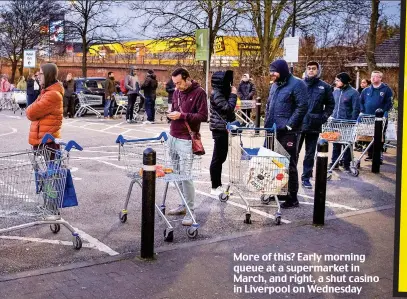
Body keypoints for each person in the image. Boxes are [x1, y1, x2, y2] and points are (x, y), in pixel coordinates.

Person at [166, 67, 208, 226]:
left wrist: (182, 115)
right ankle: (183, 204)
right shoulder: (176, 92)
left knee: (186, 176)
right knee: (176, 174)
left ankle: (190, 212)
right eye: (174, 84)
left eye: (179, 83)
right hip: (173, 136)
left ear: (187, 78)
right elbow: (175, 109)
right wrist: (171, 115)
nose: (176, 87)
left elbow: (203, 116)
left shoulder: (199, 92)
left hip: (186, 139)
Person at [264, 59, 308, 209]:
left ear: (282, 70)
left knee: (289, 163)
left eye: (274, 71)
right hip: (272, 130)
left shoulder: (297, 84)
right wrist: (266, 123)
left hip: (288, 132)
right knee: (273, 162)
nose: (272, 74)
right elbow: (269, 104)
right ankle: (279, 190)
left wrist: (289, 125)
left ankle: (292, 197)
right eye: (270, 71)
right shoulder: (275, 85)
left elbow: (302, 107)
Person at [298, 62, 335, 189]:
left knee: (310, 153)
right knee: (294, 152)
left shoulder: (324, 87)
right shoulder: (299, 84)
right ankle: (290, 178)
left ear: (318, 70)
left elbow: (330, 104)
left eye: (314, 69)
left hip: (314, 124)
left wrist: (323, 117)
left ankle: (306, 177)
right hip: (298, 124)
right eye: (309, 68)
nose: (311, 71)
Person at [209, 70, 237, 196]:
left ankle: (218, 185)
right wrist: (233, 95)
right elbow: (227, 108)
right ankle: (215, 186)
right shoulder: (217, 94)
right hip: (219, 129)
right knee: (218, 158)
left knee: (221, 157)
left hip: (223, 128)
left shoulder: (221, 92)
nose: (230, 84)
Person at [26, 63, 63, 150]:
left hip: (47, 143)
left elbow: (30, 113)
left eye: (41, 73)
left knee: (50, 163)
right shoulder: (46, 92)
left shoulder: (52, 95)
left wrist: (29, 109)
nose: (38, 76)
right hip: (42, 141)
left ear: (48, 75)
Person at [360, 70, 393, 161]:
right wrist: (362, 111)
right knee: (368, 136)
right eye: (372, 76)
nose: (373, 78)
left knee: (379, 136)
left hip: (380, 118)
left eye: (375, 76)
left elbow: (389, 103)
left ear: (380, 78)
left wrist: (384, 112)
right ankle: (370, 154)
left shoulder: (386, 89)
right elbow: (361, 101)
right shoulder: (366, 90)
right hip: (368, 117)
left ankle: (379, 154)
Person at [330, 72, 360, 172]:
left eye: (338, 80)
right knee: (336, 143)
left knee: (347, 144)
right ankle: (335, 162)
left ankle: (346, 164)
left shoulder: (354, 93)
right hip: (336, 122)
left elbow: (356, 109)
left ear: (344, 81)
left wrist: (352, 122)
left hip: (347, 123)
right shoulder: (336, 92)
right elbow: (333, 106)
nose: (336, 82)